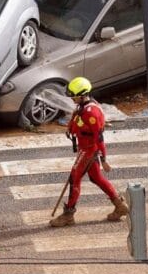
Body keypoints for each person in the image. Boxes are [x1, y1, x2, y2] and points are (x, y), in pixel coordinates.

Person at [50, 77, 129, 227]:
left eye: (74, 96)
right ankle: (120, 205)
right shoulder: (83, 105)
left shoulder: (91, 113)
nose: (72, 99)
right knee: (96, 178)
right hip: (84, 148)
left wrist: (104, 159)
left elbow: (99, 138)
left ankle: (68, 215)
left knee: (74, 179)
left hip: (88, 150)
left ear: (82, 94)